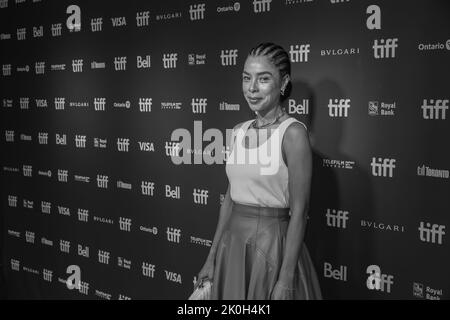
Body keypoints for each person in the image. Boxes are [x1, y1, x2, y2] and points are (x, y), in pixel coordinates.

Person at [196, 42, 322, 300]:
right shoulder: (239, 130)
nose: (252, 88)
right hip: (232, 246)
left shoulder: (293, 134)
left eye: (263, 79)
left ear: (284, 82)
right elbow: (230, 199)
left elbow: (300, 212)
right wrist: (212, 257)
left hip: (272, 249)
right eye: (246, 78)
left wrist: (286, 280)